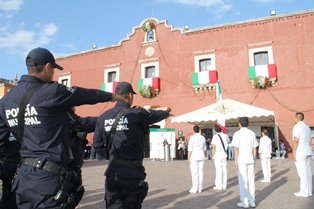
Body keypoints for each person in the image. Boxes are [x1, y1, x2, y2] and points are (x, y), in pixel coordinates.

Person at [0, 47, 125, 209]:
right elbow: (83, 94)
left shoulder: (6, 100)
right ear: (47, 67)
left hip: (23, 178)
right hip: (47, 180)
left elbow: (2, 140)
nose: (53, 74)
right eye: (53, 69)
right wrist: (110, 96)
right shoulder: (50, 91)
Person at [93, 81, 172, 209]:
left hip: (112, 171)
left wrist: (112, 157)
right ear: (130, 95)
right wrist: (166, 113)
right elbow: (154, 115)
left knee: (114, 205)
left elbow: (97, 145)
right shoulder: (136, 114)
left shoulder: (103, 117)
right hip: (131, 172)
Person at [232, 117, 258, 208]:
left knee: (243, 180)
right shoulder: (252, 133)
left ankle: (244, 201)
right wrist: (254, 159)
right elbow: (254, 148)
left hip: (241, 159)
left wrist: (235, 160)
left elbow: (236, 148)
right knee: (251, 180)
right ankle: (252, 200)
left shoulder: (237, 134)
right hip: (250, 158)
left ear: (240, 124)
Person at [292, 112, 313, 197]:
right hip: (308, 150)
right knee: (308, 171)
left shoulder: (297, 127)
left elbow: (296, 140)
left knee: (302, 172)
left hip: (301, 151)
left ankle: (304, 192)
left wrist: (294, 152)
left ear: (297, 118)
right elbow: (310, 139)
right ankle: (309, 191)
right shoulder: (307, 127)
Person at [187, 125, 207, 194]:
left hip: (194, 156)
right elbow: (204, 148)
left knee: (194, 172)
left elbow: (190, 148)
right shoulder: (202, 138)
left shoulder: (192, 138)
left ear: (193, 130)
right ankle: (200, 188)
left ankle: (195, 188)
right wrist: (204, 155)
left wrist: (188, 157)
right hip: (201, 155)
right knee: (201, 172)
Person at [211, 125, 229, 190]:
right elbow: (228, 142)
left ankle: (219, 185)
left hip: (217, 155)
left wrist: (213, 155)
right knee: (224, 170)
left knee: (218, 170)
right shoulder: (225, 135)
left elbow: (214, 147)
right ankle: (224, 185)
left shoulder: (215, 137)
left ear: (215, 130)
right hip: (224, 154)